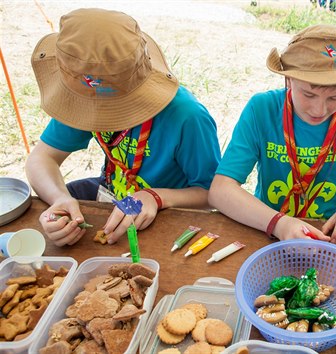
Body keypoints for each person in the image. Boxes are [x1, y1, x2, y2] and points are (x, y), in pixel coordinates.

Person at [26, 8, 221, 246]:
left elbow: (212, 194)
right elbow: (41, 158)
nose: (100, 112)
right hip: (113, 195)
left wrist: (156, 197)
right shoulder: (82, 95)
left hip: (168, 210)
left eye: (115, 107)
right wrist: (59, 199)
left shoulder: (187, 117)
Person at [208, 24, 336, 251]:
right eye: (308, 94)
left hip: (328, 238)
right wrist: (279, 224)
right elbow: (220, 190)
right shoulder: (262, 109)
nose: (319, 109)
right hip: (265, 228)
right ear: (288, 80)